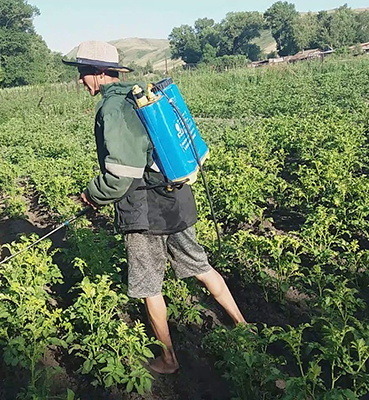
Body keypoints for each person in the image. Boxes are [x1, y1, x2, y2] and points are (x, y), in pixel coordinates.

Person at [63, 41, 247, 374]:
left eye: (82, 74)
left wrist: (92, 195)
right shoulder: (138, 97)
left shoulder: (112, 109)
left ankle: (168, 359)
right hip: (175, 198)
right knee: (201, 267)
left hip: (145, 211)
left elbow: (121, 174)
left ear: (98, 74)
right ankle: (244, 328)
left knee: (150, 286)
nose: (80, 81)